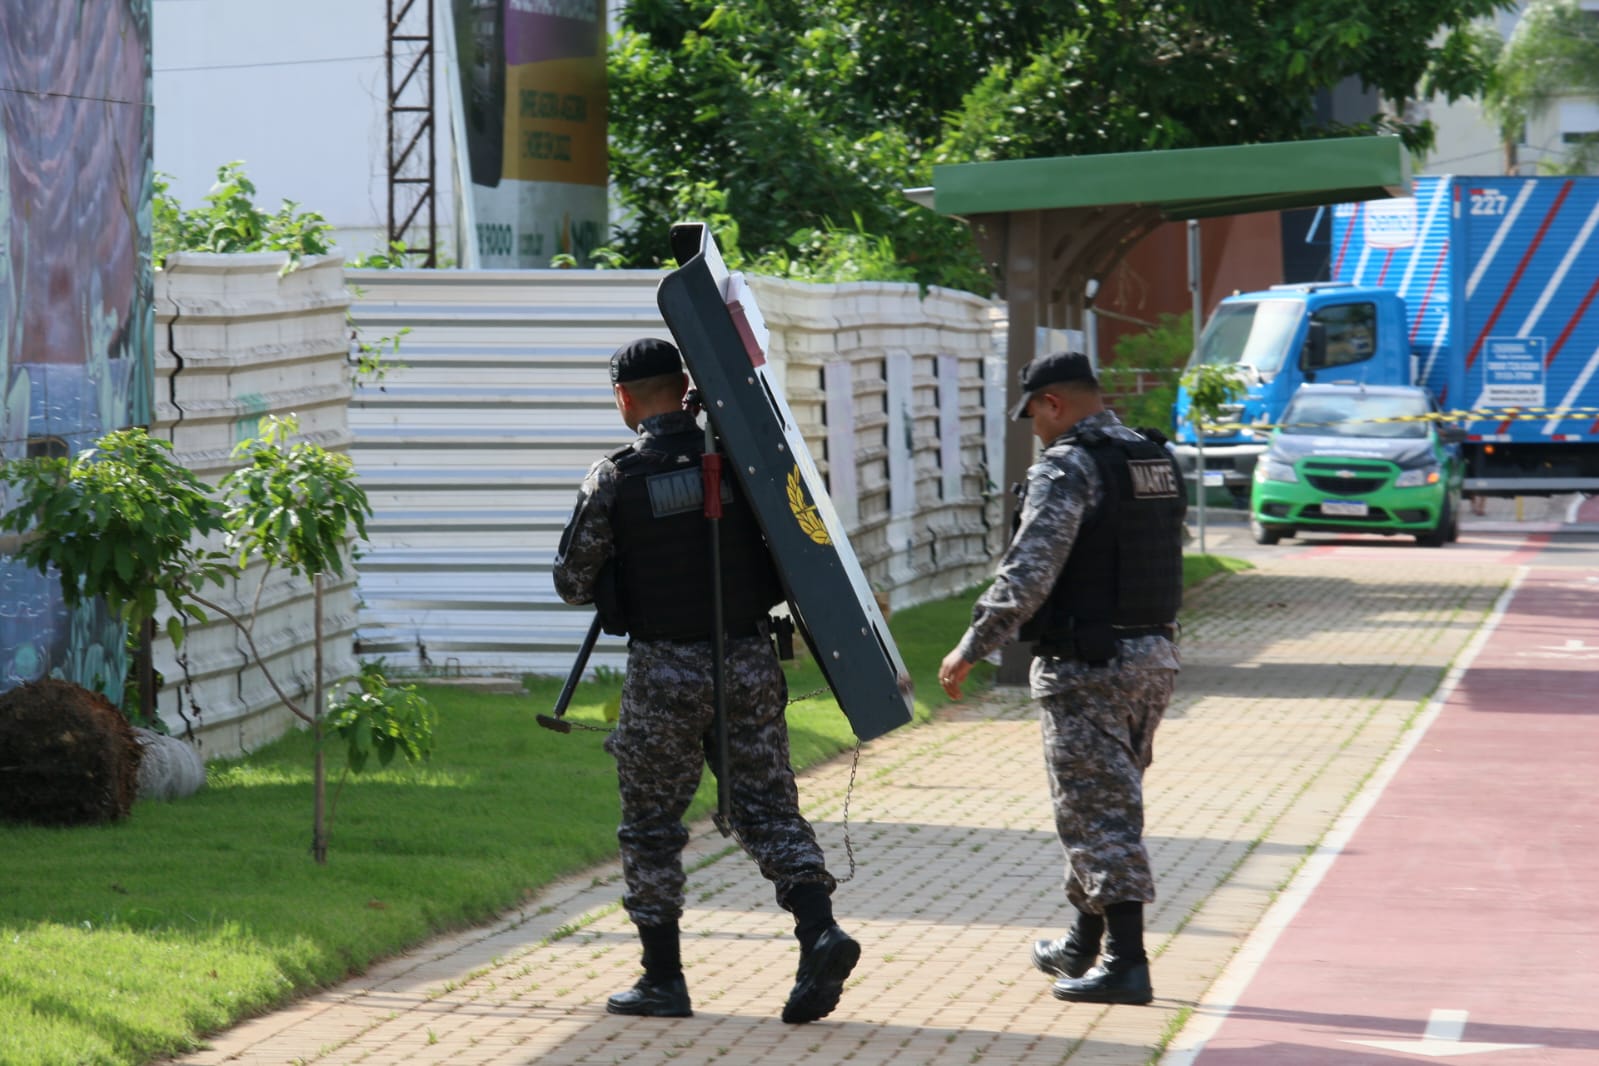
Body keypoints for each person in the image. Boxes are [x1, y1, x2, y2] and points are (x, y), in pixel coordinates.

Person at [552, 337, 860, 1024]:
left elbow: (571, 582)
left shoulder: (614, 477)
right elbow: (802, 545)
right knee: (768, 809)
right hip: (749, 658)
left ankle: (663, 979)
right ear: (685, 383)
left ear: (624, 398)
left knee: (651, 825)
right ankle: (819, 930)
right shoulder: (746, 459)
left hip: (665, 671)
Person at [938, 350, 1184, 1006]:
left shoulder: (1068, 466)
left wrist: (971, 646)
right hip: (1153, 658)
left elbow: (1028, 573)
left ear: (1052, 402)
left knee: (1097, 815)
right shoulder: (1150, 457)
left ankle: (1126, 964)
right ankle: (1082, 942)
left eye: (1034, 416)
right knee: (1105, 802)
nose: (1036, 431)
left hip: (1087, 666)